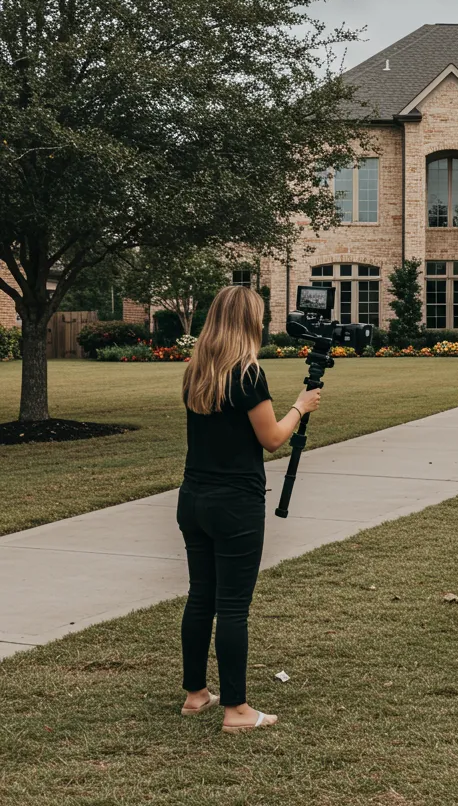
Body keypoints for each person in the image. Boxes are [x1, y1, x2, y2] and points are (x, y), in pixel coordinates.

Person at [177, 284, 322, 732]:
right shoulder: (247, 374)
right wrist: (300, 406)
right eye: (259, 316)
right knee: (233, 606)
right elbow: (273, 439)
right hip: (235, 504)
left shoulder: (195, 370)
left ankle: (196, 694)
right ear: (248, 322)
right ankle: (237, 710)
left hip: (193, 499)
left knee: (201, 597)